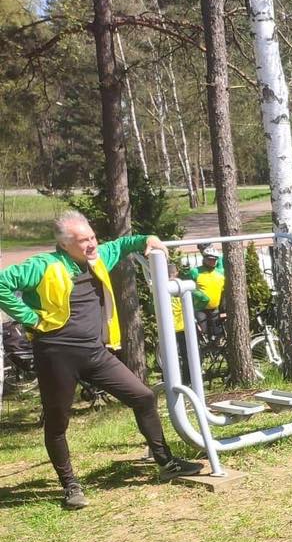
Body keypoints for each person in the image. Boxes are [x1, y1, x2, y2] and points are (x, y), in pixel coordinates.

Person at [0, 211, 204, 509]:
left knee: (144, 397)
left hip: (95, 353)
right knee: (57, 423)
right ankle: (70, 486)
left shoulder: (97, 258)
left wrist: (147, 239)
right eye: (83, 240)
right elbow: (2, 284)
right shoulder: (43, 265)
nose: (92, 244)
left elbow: (122, 245)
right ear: (65, 244)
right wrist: (31, 319)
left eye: (92, 237)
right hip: (56, 355)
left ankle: (166, 463)